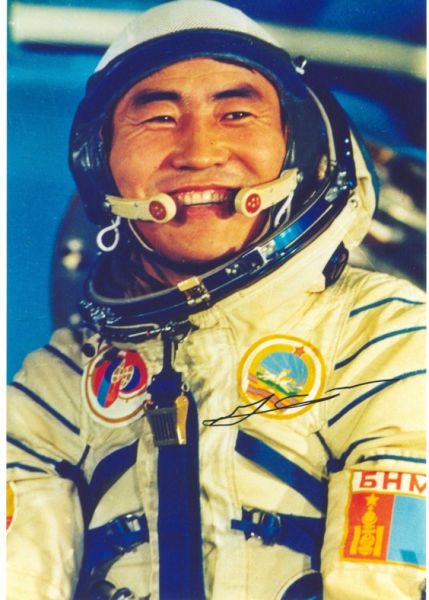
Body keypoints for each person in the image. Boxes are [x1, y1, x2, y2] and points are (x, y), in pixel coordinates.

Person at [7, 1, 426, 598]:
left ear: (297, 144)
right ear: (101, 167)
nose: (199, 152)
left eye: (236, 113)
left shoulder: (381, 337)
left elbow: (387, 579)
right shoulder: (59, 385)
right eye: (158, 118)